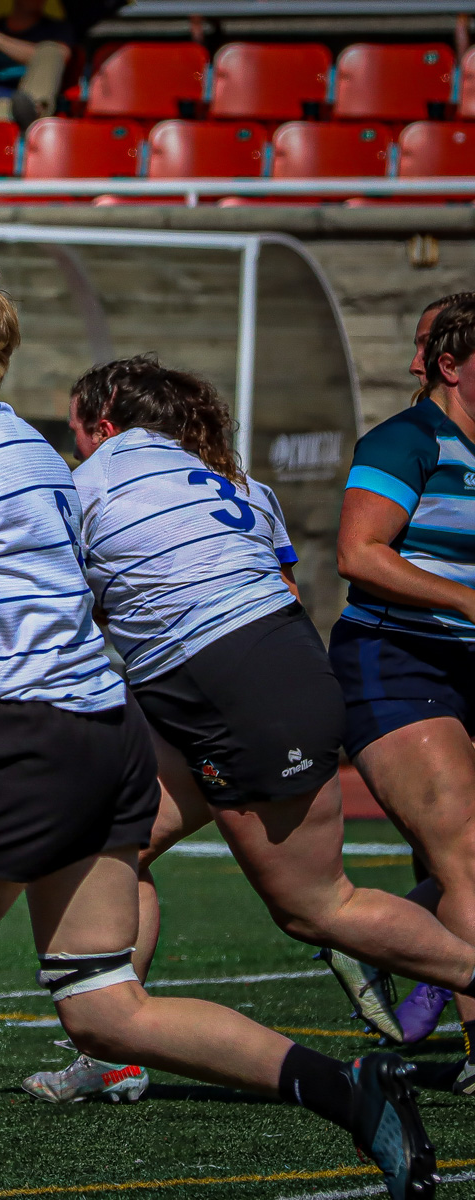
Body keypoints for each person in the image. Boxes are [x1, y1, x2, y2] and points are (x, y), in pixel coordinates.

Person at [0, 256, 438, 1200]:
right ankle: (352, 1090)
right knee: (105, 1008)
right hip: (107, 732)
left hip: (29, 744)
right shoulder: (33, 446)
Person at [20, 353, 475, 1105]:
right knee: (106, 838)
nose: (73, 446)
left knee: (315, 906)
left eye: (76, 430)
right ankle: (112, 1041)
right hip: (252, 675)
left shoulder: (86, 486)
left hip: (234, 692)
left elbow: (62, 610)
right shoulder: (238, 482)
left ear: (101, 425)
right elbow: (282, 589)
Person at [332, 290, 475, 1095]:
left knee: (460, 856)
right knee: (467, 851)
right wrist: (463, 600)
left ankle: (376, 934)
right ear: (452, 368)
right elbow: (358, 552)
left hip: (465, 660)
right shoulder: (408, 439)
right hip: (399, 659)